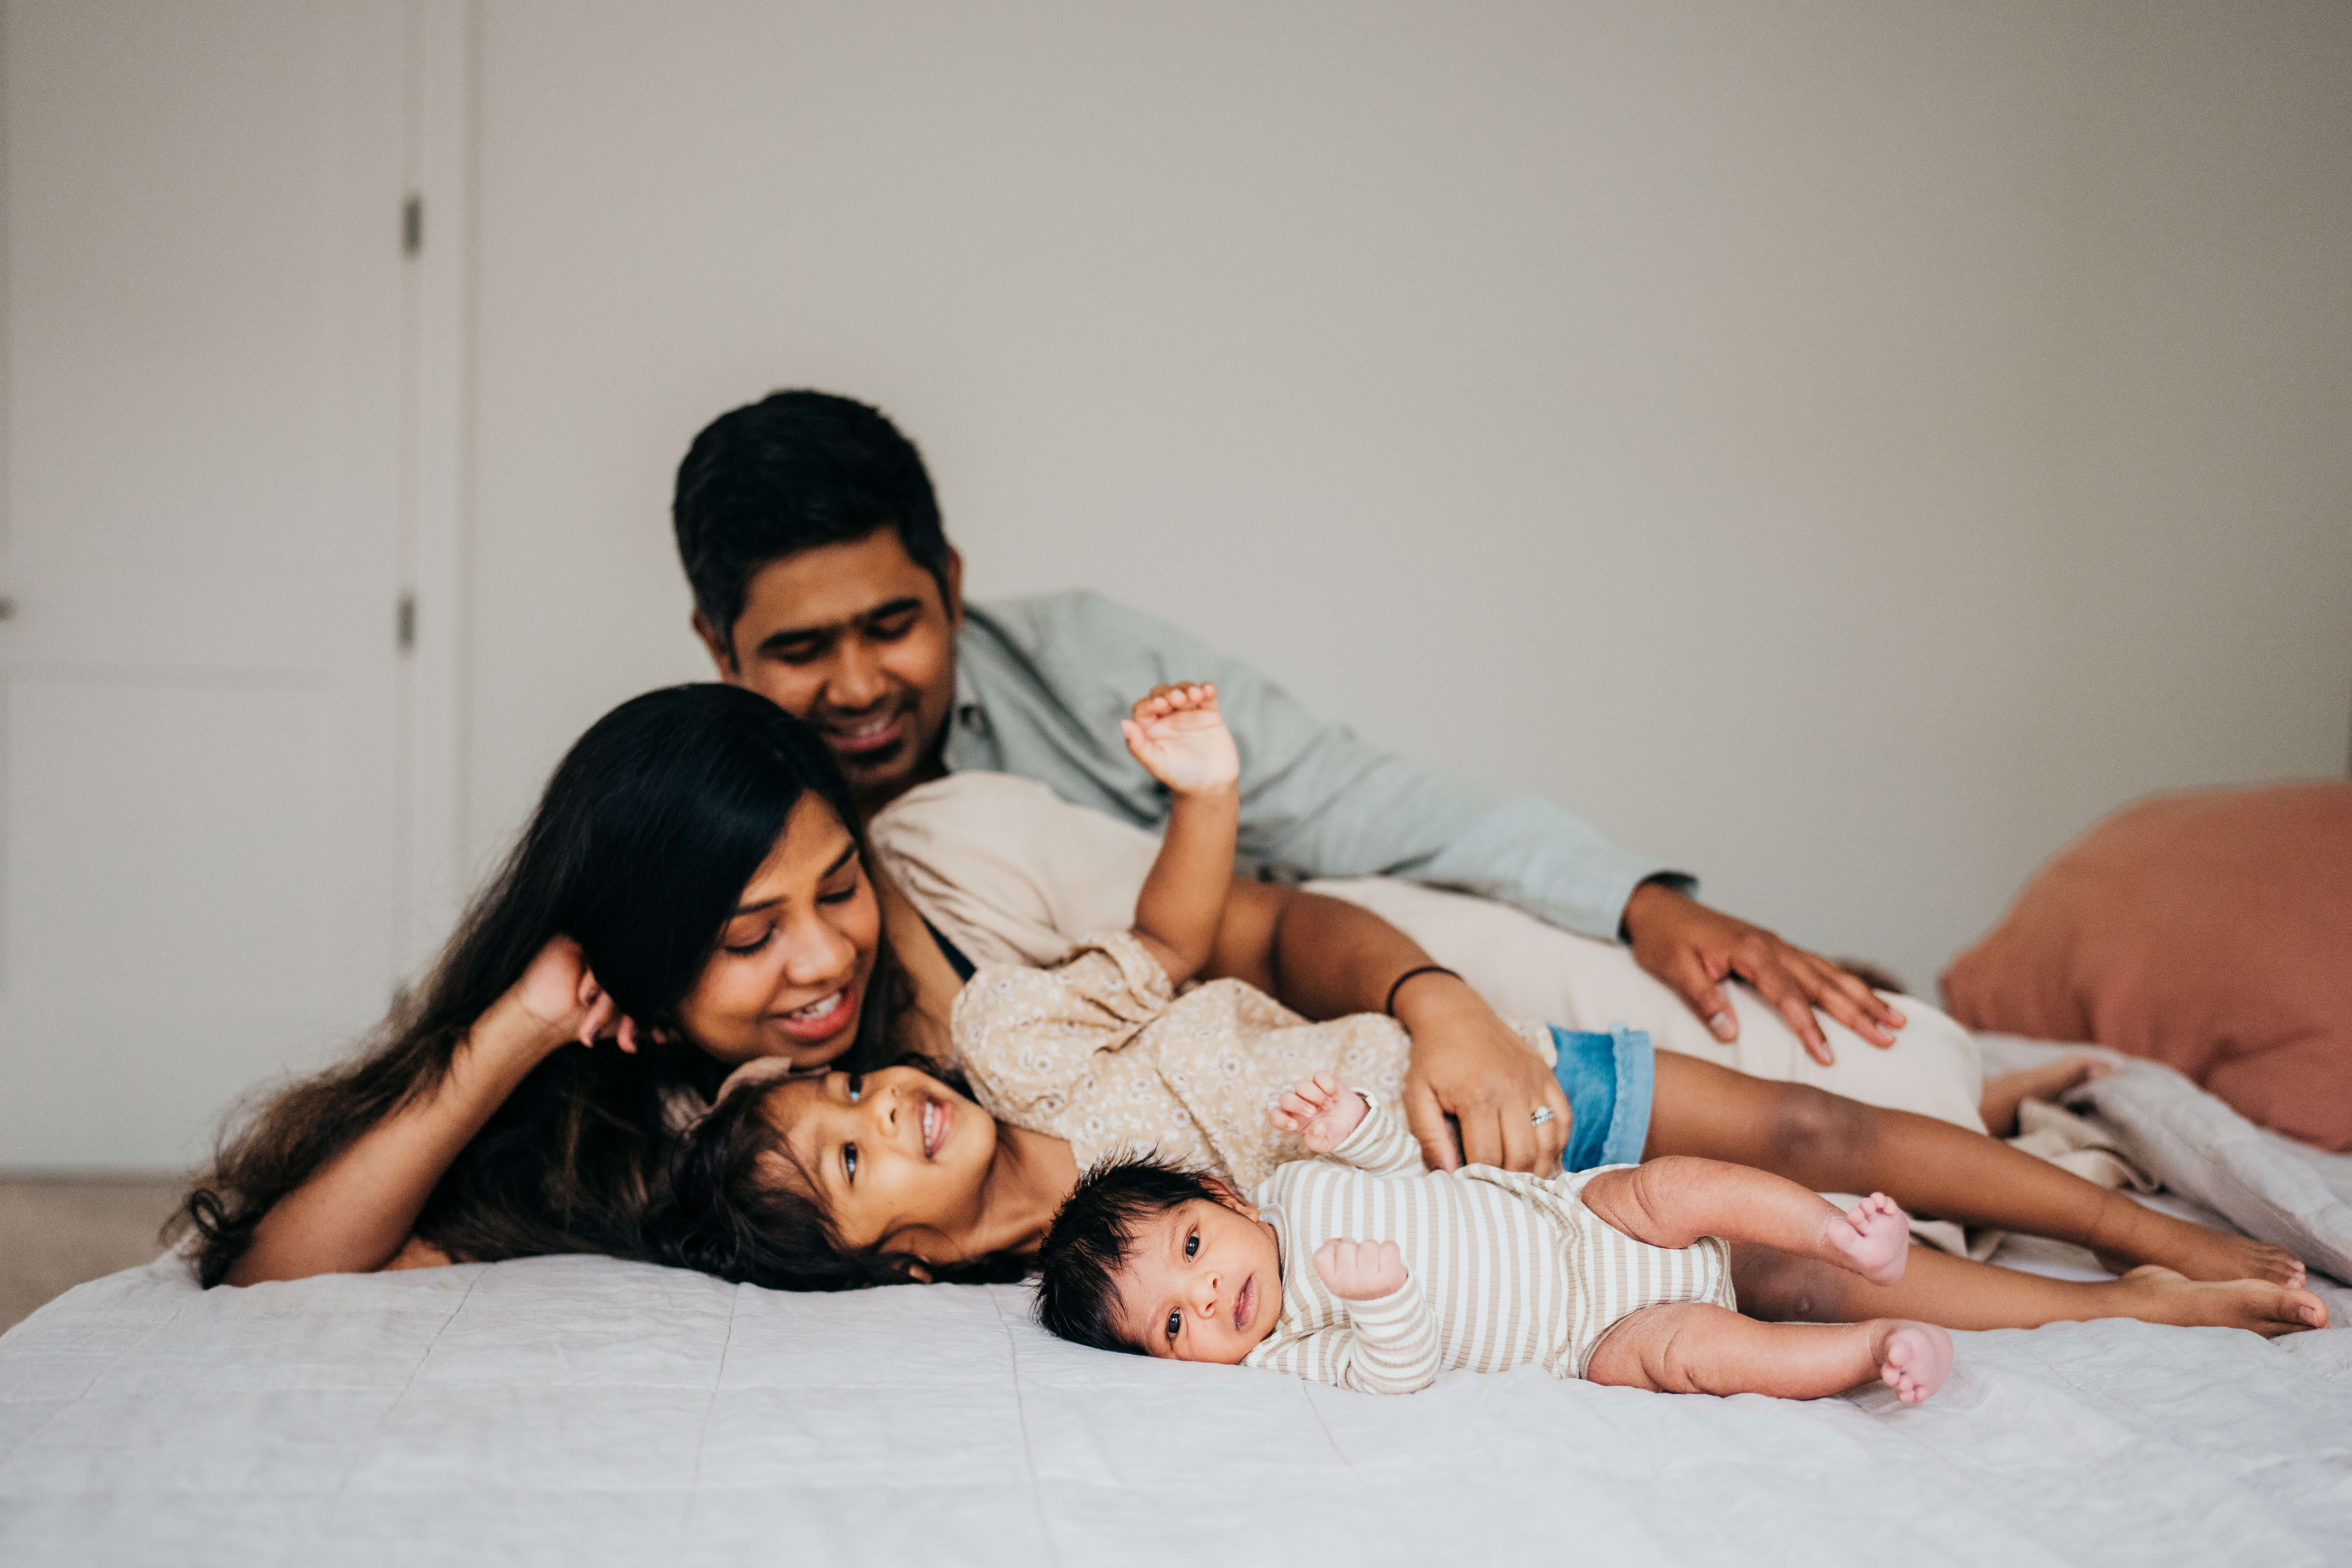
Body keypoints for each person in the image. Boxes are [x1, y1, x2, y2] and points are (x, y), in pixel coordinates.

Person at [655, 682, 2323, 1341]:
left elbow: (1167, 943)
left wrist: (1207, 796)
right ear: (906, 1261)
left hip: (1499, 1090)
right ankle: (2131, 1314)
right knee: (1809, 1263)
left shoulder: (1012, 1042)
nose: (883, 1109)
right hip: (1530, 1222)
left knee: (1823, 1132)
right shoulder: (1075, 1286)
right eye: (860, 1159)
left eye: (853, 1097)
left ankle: (2132, 1224)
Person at [670, 389, 1971, 1173]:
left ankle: (1972, 1083)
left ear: (951, 584)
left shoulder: (1083, 668)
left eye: (891, 626)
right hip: (1245, 1125)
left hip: (1337, 971)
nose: (854, 685)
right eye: (798, 650)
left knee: (1887, 1085)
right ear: (717, 649)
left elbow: (1350, 801)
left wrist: (1637, 900)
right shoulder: (696, 824)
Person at [1033, 1078, 1953, 1406]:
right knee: (1702, 1358)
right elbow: (1397, 1373)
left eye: (1193, 1248)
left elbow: (1403, 1170)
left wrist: (1355, 1129)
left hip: (1577, 1215)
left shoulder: (1295, 1187)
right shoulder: (1283, 1355)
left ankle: (1841, 1236)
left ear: (1219, 1195)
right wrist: (1383, 1302)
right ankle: (1869, 1351)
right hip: (1589, 1338)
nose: (1205, 1298)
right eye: (1173, 1328)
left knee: (1678, 1183)